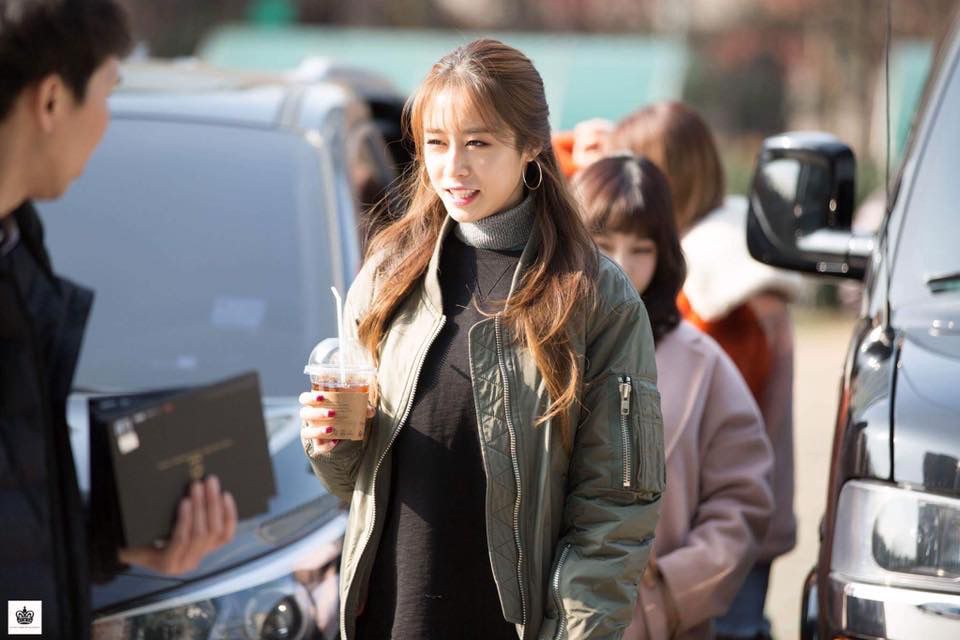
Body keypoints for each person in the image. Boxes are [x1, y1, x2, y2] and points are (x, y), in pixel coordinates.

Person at [299, 38, 665, 639]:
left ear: (531, 145)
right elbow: (356, 484)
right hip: (391, 618)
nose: (453, 168)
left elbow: (616, 509)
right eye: (436, 143)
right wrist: (330, 443)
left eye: (478, 143)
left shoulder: (595, 295)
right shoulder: (389, 275)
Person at [0, 2, 236, 637]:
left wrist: (114, 542)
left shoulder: (18, 244)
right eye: (108, 91)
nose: (109, 122)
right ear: (52, 100)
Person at [613, 101, 801, 639]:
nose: (623, 184)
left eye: (633, 165)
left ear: (666, 176)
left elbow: (705, 437)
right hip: (715, 539)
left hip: (710, 548)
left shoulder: (716, 295)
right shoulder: (736, 261)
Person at [572, 154, 774, 639]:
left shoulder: (704, 363)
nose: (621, 265)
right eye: (604, 244)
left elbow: (742, 501)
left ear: (664, 255)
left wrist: (667, 592)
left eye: (641, 249)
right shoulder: (532, 344)